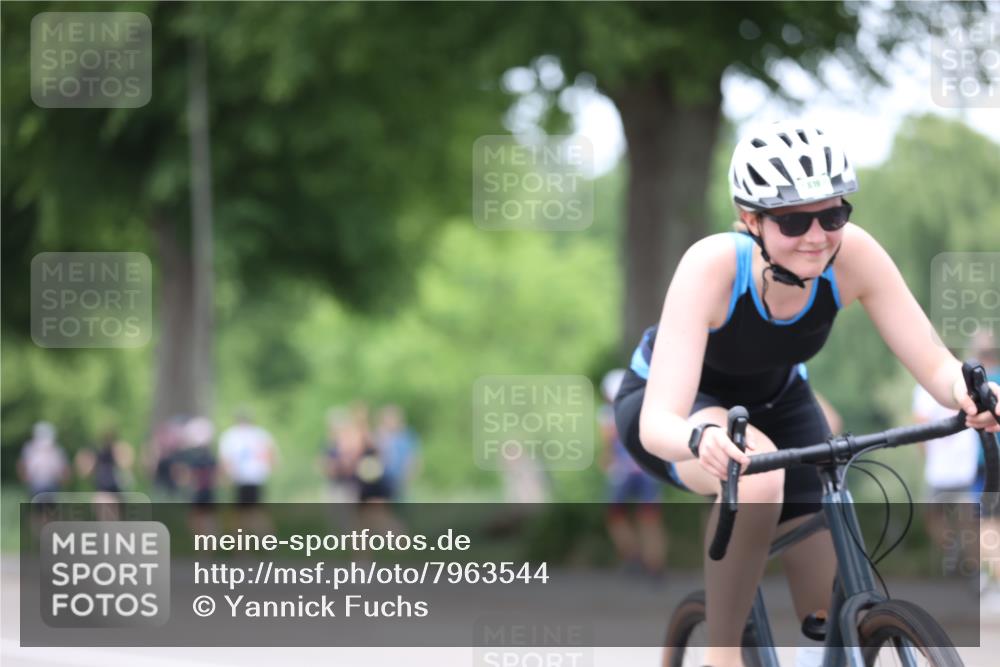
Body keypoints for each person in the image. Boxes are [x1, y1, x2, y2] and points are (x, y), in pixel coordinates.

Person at [613, 121, 1000, 667]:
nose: (818, 235)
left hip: (781, 399)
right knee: (759, 475)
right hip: (680, 408)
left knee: (828, 614)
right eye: (794, 221)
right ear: (752, 220)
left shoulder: (853, 256)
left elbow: (936, 364)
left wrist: (972, 394)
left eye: (833, 214)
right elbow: (659, 422)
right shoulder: (713, 266)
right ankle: (721, 655)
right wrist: (701, 437)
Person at [600, 369, 666, 579]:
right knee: (650, 519)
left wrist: (608, 462)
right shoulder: (645, 407)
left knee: (615, 517)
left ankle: (633, 557)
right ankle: (655, 565)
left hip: (622, 472)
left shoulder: (607, 414)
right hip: (648, 470)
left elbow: (608, 446)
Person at [911, 382, 979, 575]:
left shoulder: (924, 389)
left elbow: (920, 426)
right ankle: (974, 569)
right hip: (964, 467)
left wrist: (928, 456)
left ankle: (952, 548)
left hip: (940, 470)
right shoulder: (967, 384)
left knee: (932, 516)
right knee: (967, 521)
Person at [218, 409, 277, 505]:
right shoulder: (231, 435)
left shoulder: (259, 434)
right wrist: (226, 473)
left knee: (254, 502)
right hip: (239, 476)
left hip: (257, 475)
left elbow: (270, 452)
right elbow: (226, 458)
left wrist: (270, 466)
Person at [375, 404, 421, 501]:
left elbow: (413, 459)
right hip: (382, 481)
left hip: (400, 479)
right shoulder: (379, 436)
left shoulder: (407, 436)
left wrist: (407, 477)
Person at [18, 421, 70, 498]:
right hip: (35, 485)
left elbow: (64, 469)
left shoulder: (57, 450)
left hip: (52, 485)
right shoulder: (29, 448)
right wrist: (25, 478)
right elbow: (22, 465)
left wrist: (63, 480)